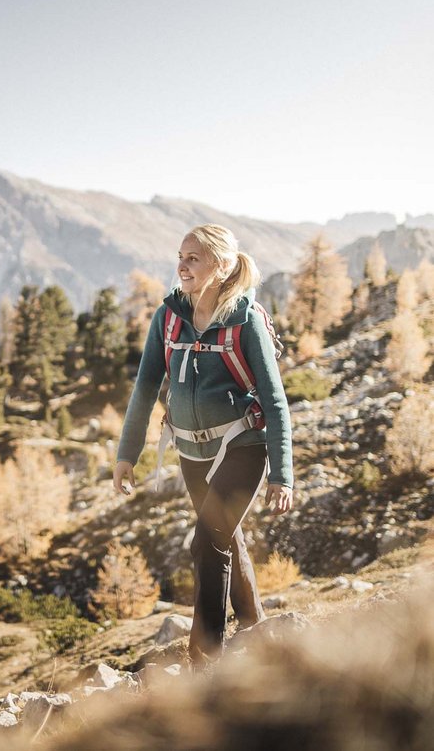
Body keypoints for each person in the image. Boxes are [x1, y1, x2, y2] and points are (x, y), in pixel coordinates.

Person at [113, 223, 293, 666]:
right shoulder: (168, 318)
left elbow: (274, 400)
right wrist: (126, 455)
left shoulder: (245, 320)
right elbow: (144, 389)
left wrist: (282, 473)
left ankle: (204, 657)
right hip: (191, 452)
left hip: (243, 445)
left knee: (206, 541)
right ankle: (254, 626)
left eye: (193, 258)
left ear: (223, 265)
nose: (182, 266)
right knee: (225, 539)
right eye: (180, 256)